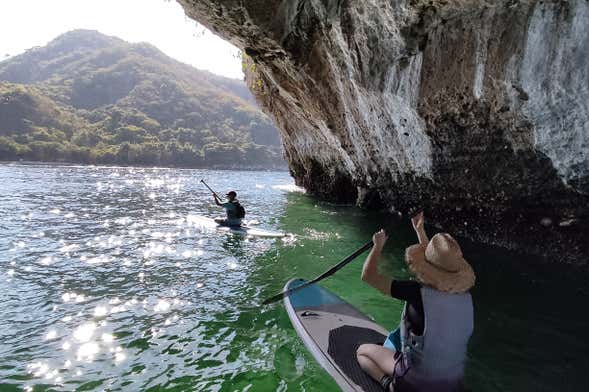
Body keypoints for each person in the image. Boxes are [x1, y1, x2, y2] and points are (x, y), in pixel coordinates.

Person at [356, 212, 476, 391]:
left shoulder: (416, 293)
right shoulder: (467, 298)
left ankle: (389, 385)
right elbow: (439, 264)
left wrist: (377, 245)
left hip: (416, 384)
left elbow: (368, 275)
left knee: (363, 352)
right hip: (453, 385)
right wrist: (419, 231)